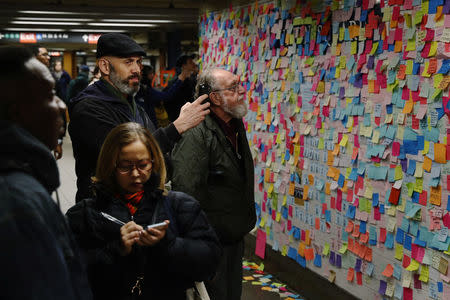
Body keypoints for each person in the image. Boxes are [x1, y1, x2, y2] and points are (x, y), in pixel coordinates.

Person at [66, 122, 221, 300]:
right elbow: (67, 271)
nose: (135, 174)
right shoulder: (85, 213)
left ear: (154, 162)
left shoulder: (179, 206)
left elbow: (210, 262)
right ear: (109, 166)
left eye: (143, 165)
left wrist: (169, 245)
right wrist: (116, 249)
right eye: (125, 166)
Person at [68, 32, 209, 202]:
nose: (136, 69)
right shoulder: (89, 108)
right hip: (103, 211)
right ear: (105, 67)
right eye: (128, 62)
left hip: (138, 205)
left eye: (139, 62)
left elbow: (159, 155)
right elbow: (124, 157)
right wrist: (176, 127)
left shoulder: (133, 106)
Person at [0, 45, 92, 299]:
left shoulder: (25, 179)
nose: (61, 105)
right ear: (16, 111)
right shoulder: (17, 202)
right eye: (51, 95)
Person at [171, 68, 256, 300]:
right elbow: (185, 189)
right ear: (215, 98)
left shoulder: (234, 123)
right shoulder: (197, 131)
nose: (242, 91)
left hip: (233, 234)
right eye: (233, 87)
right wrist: (196, 243)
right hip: (210, 241)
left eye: (240, 84)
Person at [30, 44, 65, 160]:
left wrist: (58, 140)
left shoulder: (50, 76)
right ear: (34, 57)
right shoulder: (26, 78)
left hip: (45, 136)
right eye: (44, 54)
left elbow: (57, 106)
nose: (48, 57)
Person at [136, 63, 196, 128]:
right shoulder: (145, 90)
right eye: (150, 73)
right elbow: (167, 96)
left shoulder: (143, 89)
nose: (153, 75)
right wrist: (180, 79)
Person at [164, 54, 198, 122]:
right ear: (184, 66)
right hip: (178, 119)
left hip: (190, 117)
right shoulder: (174, 82)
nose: (194, 64)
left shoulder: (191, 80)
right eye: (190, 62)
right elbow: (167, 99)